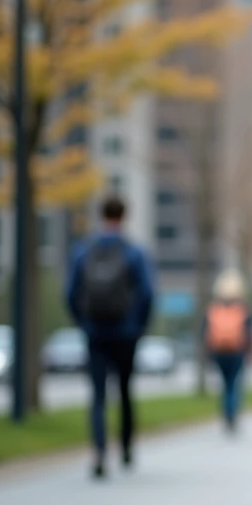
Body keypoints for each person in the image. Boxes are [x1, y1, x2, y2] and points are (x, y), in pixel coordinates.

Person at [65, 195, 155, 480]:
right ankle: (126, 448)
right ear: (123, 216)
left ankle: (99, 453)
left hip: (95, 332)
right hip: (126, 333)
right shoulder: (133, 251)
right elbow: (148, 293)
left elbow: (70, 293)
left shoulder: (84, 250)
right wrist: (139, 325)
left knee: (98, 395)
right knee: (126, 392)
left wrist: (83, 322)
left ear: (101, 215)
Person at [204, 270, 252, 434]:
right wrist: (250, 351)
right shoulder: (242, 309)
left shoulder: (214, 309)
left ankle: (226, 413)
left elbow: (206, 331)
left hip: (219, 351)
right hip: (236, 350)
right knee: (233, 384)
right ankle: (232, 414)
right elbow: (249, 332)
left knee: (225, 384)